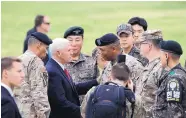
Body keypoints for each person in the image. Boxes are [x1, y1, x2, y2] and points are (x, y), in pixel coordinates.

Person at [46, 38, 98, 118]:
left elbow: (72, 88)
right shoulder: (53, 72)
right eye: (68, 50)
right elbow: (60, 103)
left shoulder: (58, 67)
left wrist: (97, 81)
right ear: (59, 53)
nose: (72, 52)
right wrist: (82, 111)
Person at [14, 32, 52, 118]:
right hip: (31, 114)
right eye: (46, 48)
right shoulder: (35, 62)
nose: (46, 52)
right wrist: (44, 115)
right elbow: (38, 92)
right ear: (39, 45)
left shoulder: (18, 60)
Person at [134, 30, 167, 118]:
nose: (139, 47)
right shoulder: (149, 65)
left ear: (149, 46)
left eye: (141, 44)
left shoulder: (162, 68)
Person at [63, 26, 99, 102]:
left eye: (77, 40)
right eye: (70, 40)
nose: (74, 44)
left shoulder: (92, 62)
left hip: (86, 109)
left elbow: (98, 86)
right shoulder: (59, 63)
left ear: (82, 41)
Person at [153, 40, 186, 118]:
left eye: (161, 55)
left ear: (166, 56)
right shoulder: (175, 73)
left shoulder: (174, 79)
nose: (159, 58)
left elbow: (174, 113)